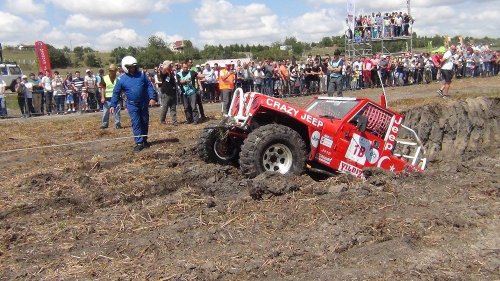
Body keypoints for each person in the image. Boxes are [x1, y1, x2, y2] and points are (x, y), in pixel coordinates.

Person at [110, 56, 156, 152]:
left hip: (143, 103)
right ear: (125, 67)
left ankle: (144, 140)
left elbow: (149, 86)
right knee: (136, 122)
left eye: (134, 66)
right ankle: (139, 142)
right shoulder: (121, 79)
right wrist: (112, 105)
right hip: (132, 104)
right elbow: (115, 93)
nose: (133, 68)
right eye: (130, 67)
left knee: (144, 121)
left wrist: (152, 97)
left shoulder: (142, 75)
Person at [100, 64, 121, 129]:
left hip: (117, 99)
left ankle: (118, 124)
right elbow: (103, 88)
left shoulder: (119, 79)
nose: (112, 72)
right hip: (107, 99)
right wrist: (102, 97)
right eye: (110, 70)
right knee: (105, 112)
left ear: (115, 71)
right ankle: (104, 124)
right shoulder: (104, 78)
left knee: (117, 112)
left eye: (113, 70)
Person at [159, 60, 178, 125]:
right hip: (166, 93)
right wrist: (168, 63)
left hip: (172, 92)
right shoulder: (163, 72)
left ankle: (174, 121)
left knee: (173, 108)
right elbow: (164, 68)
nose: (171, 66)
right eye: (170, 65)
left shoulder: (171, 73)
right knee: (165, 107)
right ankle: (162, 120)